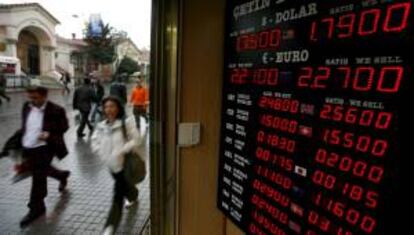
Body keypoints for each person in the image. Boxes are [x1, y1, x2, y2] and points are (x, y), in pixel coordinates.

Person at [19, 86, 70, 228]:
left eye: (35, 98)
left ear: (44, 96)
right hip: (28, 146)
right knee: (41, 171)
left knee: (38, 177)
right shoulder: (26, 107)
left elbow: (64, 126)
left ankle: (36, 207)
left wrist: (49, 134)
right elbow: (25, 126)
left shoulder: (56, 110)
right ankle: (62, 175)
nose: (32, 101)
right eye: (31, 97)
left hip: (45, 148)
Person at [91, 96, 142, 235]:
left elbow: (137, 140)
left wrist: (123, 150)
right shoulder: (101, 126)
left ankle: (110, 226)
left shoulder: (126, 123)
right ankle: (133, 195)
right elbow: (94, 140)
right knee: (124, 185)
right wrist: (100, 152)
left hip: (124, 164)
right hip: (111, 165)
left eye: (112, 106)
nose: (109, 109)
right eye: (106, 106)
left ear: (118, 108)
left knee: (117, 194)